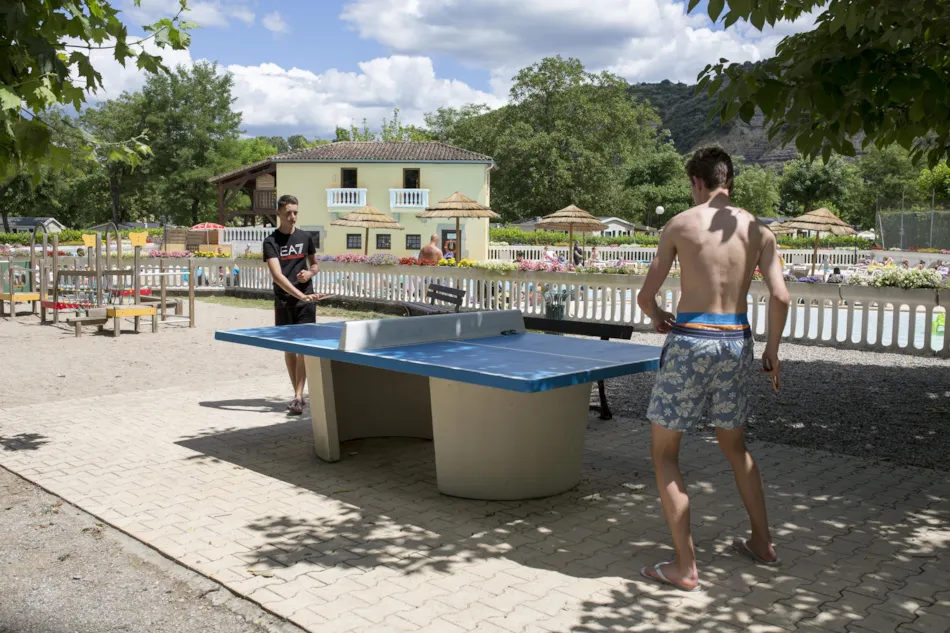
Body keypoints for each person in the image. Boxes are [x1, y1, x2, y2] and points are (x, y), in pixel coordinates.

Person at [636, 147, 790, 592]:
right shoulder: (759, 230)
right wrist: (772, 351)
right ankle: (763, 543)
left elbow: (645, 296)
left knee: (665, 453)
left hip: (690, 341)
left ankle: (685, 567)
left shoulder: (681, 224)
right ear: (730, 180)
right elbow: (780, 297)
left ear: (697, 182)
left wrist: (658, 315)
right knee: (735, 447)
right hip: (735, 341)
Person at [263, 194, 323, 415]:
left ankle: (298, 396)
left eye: (295, 212)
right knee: (289, 350)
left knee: (303, 350)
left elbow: (315, 265)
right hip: (284, 301)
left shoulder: (305, 237)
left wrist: (310, 273)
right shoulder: (270, 242)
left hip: (306, 300)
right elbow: (277, 276)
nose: (293, 216)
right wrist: (299, 295)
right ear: (279, 213)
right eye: (288, 212)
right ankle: (296, 394)